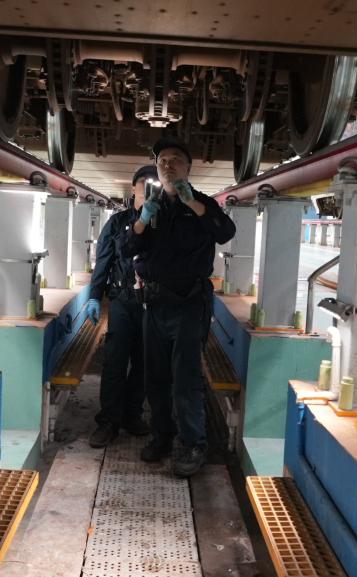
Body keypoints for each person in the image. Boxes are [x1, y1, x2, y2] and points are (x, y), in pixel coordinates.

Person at [124, 136, 236, 477]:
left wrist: (194, 204)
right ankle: (162, 436)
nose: (167, 165)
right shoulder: (152, 206)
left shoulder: (202, 204)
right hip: (154, 303)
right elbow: (128, 248)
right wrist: (142, 219)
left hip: (189, 303)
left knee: (186, 377)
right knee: (155, 376)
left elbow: (225, 232)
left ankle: (192, 444)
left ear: (188, 168)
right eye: (162, 161)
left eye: (175, 160)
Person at [86, 165, 157, 447]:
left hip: (153, 303)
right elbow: (103, 260)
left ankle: (132, 415)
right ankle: (108, 421)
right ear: (134, 187)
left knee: (144, 362)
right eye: (144, 183)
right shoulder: (117, 223)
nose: (148, 188)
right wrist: (95, 295)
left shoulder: (164, 222)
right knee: (115, 361)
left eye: (155, 184)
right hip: (122, 300)